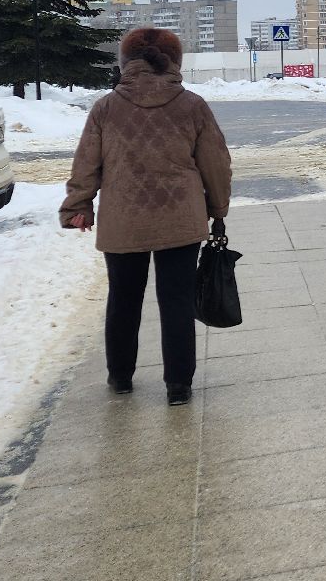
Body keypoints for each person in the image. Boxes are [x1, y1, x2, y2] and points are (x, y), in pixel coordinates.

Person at [62, 27, 232, 406]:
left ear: (127, 62)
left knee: (123, 298)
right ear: (175, 61)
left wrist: (77, 205)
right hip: (181, 219)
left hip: (123, 220)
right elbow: (216, 165)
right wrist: (217, 209)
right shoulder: (192, 105)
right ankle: (178, 386)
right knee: (176, 300)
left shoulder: (106, 107)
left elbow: (86, 162)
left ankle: (120, 377)